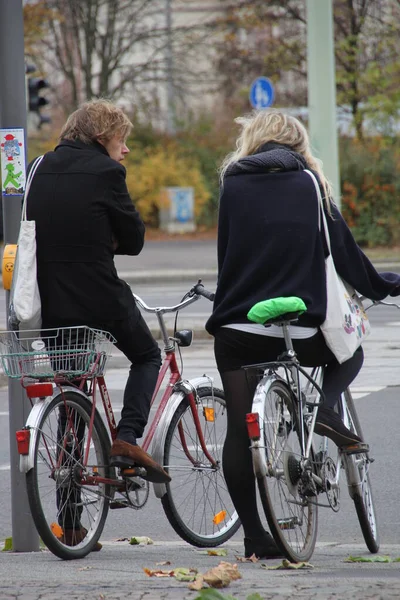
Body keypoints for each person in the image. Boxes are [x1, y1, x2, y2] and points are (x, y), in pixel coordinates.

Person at [205, 109, 400, 560]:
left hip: (237, 327)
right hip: (300, 329)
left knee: (239, 431)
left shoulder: (231, 184)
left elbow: (227, 255)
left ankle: (255, 538)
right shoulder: (310, 184)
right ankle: (325, 409)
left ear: (251, 142)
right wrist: (384, 284)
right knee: (350, 355)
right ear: (298, 145)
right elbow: (344, 253)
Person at [27, 99, 170, 546]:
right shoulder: (107, 174)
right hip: (100, 296)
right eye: (121, 140)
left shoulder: (36, 168)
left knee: (72, 399)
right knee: (148, 356)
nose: (125, 150)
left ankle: (70, 522)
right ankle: (127, 438)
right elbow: (134, 240)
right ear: (101, 137)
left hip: (51, 303)